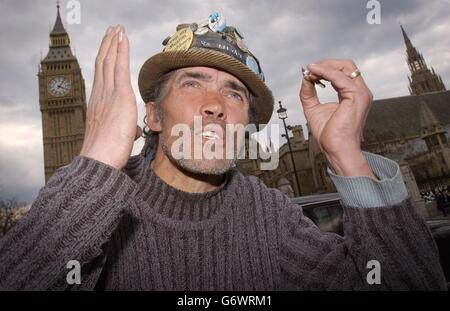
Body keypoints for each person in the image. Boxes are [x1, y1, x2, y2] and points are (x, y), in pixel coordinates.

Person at [0, 14, 447, 290]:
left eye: (234, 92)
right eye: (192, 82)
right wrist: (96, 162)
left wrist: (347, 157)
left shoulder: (269, 216)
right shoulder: (94, 214)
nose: (215, 104)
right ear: (152, 117)